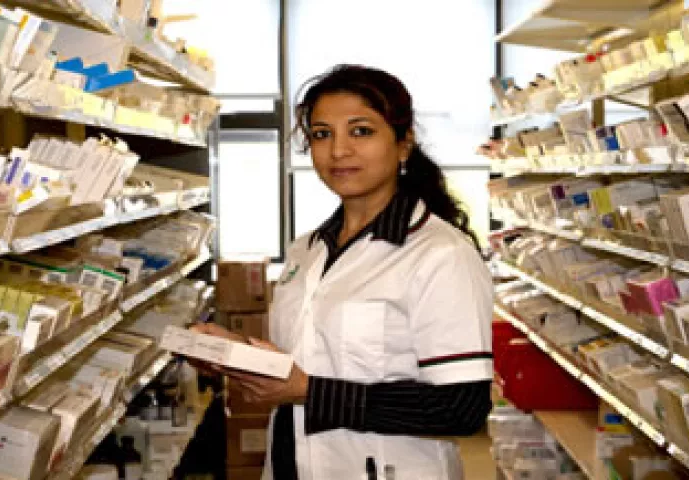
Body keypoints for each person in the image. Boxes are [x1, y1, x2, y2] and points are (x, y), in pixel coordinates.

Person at [195, 64, 493, 480]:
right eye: (321, 134)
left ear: (404, 144)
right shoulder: (306, 249)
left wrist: (308, 391)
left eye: (361, 131)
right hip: (291, 464)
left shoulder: (441, 255)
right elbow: (317, 354)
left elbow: (462, 408)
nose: (338, 151)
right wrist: (235, 353)